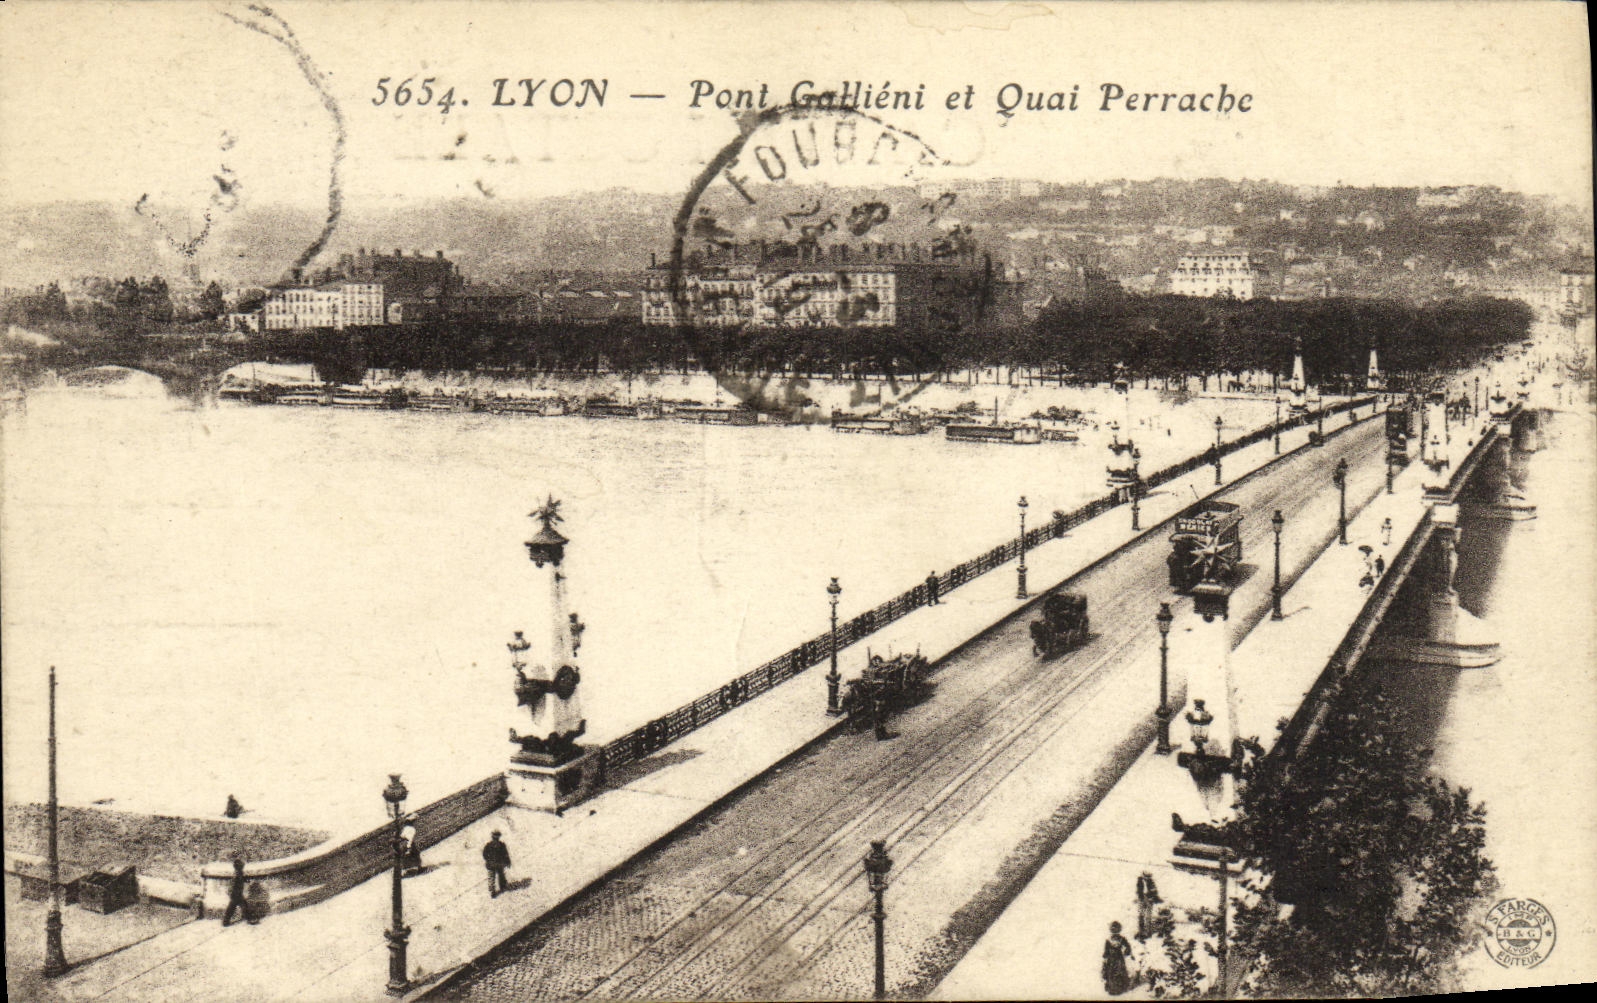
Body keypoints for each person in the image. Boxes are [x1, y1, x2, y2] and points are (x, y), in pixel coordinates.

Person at [1102, 920, 1134, 995]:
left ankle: (1120, 988)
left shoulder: (1122, 939)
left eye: (1116, 930)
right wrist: (1105, 956)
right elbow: (1106, 949)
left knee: (1119, 971)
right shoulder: (1109, 940)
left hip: (1118, 958)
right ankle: (1113, 989)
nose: (1115, 932)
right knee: (1111, 972)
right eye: (1113, 930)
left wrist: (1127, 951)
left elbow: (1127, 946)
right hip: (1112, 958)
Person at [222, 858, 250, 926]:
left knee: (237, 906)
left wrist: (245, 880)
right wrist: (231, 892)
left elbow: (241, 880)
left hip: (237, 893)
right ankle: (249, 919)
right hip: (235, 893)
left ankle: (225, 921)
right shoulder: (237, 874)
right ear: (239, 867)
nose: (243, 867)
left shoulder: (239, 873)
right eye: (242, 866)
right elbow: (233, 884)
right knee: (234, 907)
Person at [483, 830, 511, 897]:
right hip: (498, 863)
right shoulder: (501, 845)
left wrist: (488, 860)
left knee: (492, 877)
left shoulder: (489, 845)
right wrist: (507, 861)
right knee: (499, 875)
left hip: (492, 864)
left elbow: (485, 854)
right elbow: (505, 855)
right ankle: (501, 886)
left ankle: (493, 891)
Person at [1134, 872, 1161, 941]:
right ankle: (1141, 931)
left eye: (1148, 877)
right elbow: (1138, 890)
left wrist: (1153, 897)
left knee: (1148, 916)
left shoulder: (1151, 882)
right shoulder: (1139, 881)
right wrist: (1140, 897)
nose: (1147, 878)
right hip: (1142, 899)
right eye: (1146, 877)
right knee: (1141, 915)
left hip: (1149, 900)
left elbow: (1154, 891)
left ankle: (1148, 932)